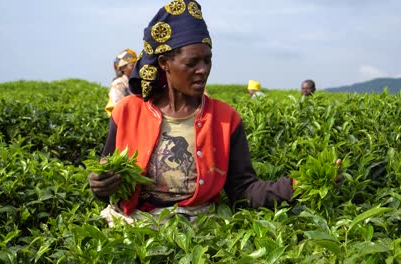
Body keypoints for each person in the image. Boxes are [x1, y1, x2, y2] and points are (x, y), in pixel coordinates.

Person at [88, 0, 294, 225]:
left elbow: (243, 189)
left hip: (196, 225)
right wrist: (100, 185)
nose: (203, 70)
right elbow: (107, 178)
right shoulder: (127, 111)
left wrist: (294, 187)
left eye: (207, 60)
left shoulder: (226, 119)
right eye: (192, 63)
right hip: (132, 222)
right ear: (165, 62)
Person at [105, 49, 138, 116]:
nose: (135, 68)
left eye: (136, 65)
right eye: (132, 66)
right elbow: (118, 106)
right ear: (123, 68)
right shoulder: (119, 84)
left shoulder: (132, 82)